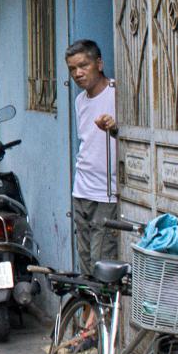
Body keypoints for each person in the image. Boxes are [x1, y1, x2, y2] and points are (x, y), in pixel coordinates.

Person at [67, 39, 120, 271]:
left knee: (102, 264)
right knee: (85, 262)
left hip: (106, 194)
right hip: (82, 191)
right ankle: (89, 308)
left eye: (83, 65)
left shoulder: (117, 94)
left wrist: (115, 127)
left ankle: (100, 308)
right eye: (72, 69)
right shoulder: (80, 101)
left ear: (99, 64)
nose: (77, 73)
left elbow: (129, 136)